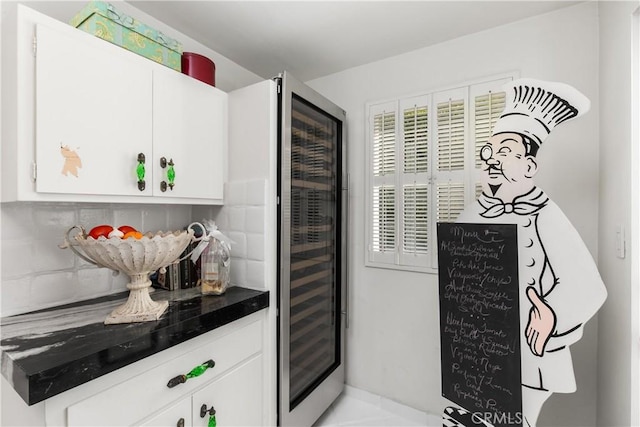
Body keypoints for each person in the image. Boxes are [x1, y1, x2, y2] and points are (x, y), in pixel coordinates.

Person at [455, 78, 607, 426]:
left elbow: (588, 284)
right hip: (477, 343)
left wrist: (551, 313)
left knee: (514, 419)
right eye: (489, 153)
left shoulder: (545, 213)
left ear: (529, 167)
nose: (493, 161)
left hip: (528, 350)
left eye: (506, 152)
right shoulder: (473, 211)